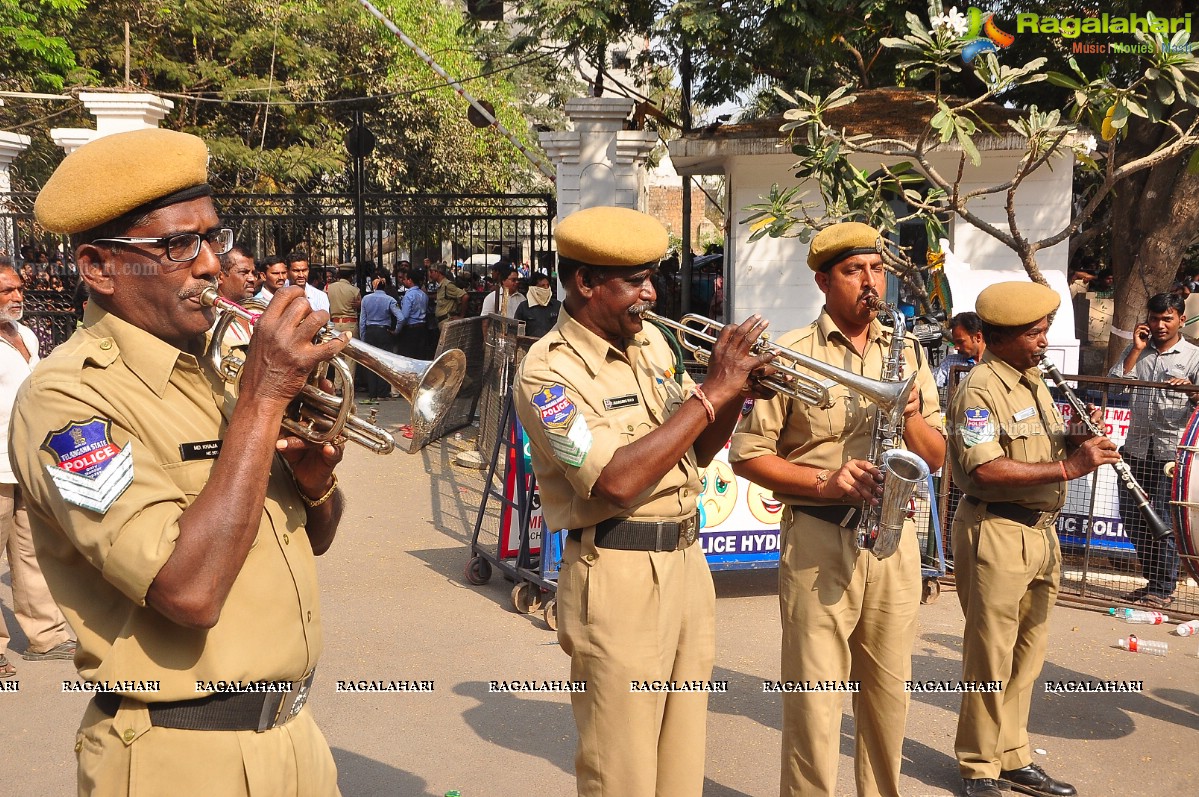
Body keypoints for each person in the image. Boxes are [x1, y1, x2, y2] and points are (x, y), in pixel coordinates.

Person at [11, 127, 347, 796]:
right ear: (99, 266)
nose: (208, 266)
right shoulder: (67, 404)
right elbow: (187, 590)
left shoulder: (223, 368)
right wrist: (262, 398)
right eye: (174, 245)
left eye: (211, 238)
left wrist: (316, 486)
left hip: (294, 740)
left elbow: (314, 536)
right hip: (179, 759)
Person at [514, 206, 774, 797]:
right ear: (584, 282)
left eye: (651, 278)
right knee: (622, 767)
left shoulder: (653, 341)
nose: (650, 294)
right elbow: (615, 482)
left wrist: (734, 394)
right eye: (635, 281)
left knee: (682, 761)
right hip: (616, 572)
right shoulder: (548, 373)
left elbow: (699, 450)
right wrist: (711, 394)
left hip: (685, 564)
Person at [729, 221, 945, 797]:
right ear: (824, 281)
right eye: (854, 271)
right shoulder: (790, 355)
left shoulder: (909, 352)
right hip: (819, 539)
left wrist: (915, 414)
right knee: (815, 701)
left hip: (893, 543)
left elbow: (938, 456)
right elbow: (748, 457)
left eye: (876, 269)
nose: (870, 282)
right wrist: (827, 481)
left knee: (888, 695)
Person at [948, 282, 1119, 797]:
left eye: (1044, 330)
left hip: (1040, 535)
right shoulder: (980, 388)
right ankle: (978, 765)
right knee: (990, 656)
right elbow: (987, 467)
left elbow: (1037, 442)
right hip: (996, 530)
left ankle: (1012, 754)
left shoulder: (1033, 379)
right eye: (1036, 332)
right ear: (1002, 336)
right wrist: (1069, 467)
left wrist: (1075, 440)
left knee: (1028, 655)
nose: (1045, 340)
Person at [0, 260, 76, 679]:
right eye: (7, 291)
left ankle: (44, 637)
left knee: (31, 552)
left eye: (18, 289)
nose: (17, 298)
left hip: (28, 462)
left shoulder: (24, 333)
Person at [1107, 292, 1199, 609]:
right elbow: (1114, 385)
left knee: (1164, 522)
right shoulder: (1139, 351)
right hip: (1135, 451)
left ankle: (1163, 588)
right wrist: (1135, 348)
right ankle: (1153, 582)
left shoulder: (1193, 357)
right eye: (1155, 318)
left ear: (1181, 320)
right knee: (1133, 519)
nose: (1160, 325)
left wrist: (1190, 389)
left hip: (1170, 458)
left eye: (1167, 318)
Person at [358, 275, 403, 404]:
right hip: (384, 331)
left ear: (374, 286)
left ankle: (372, 393)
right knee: (384, 362)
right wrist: (396, 330)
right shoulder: (390, 300)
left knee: (371, 362)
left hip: (370, 331)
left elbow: (362, 320)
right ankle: (382, 393)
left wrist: (363, 336)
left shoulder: (366, 299)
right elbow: (401, 318)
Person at [934, 311, 986, 397]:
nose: (956, 347)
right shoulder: (951, 362)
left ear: (978, 337)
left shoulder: (997, 361)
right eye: (955, 343)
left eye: (960, 342)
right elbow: (929, 383)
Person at [514, 271, 562, 338]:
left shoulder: (557, 306)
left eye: (547, 285)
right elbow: (517, 332)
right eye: (542, 286)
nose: (546, 288)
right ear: (533, 288)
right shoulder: (524, 307)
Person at [395, 269, 430, 360]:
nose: (404, 281)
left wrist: (397, 330)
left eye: (405, 279)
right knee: (420, 356)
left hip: (411, 330)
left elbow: (404, 316)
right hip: (422, 328)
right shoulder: (423, 295)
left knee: (409, 357)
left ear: (410, 280)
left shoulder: (409, 296)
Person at [430, 261, 467, 329]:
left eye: (431, 272)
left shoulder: (447, 285)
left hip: (448, 321)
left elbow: (465, 296)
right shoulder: (442, 286)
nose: (430, 275)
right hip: (443, 321)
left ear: (437, 272)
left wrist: (462, 316)